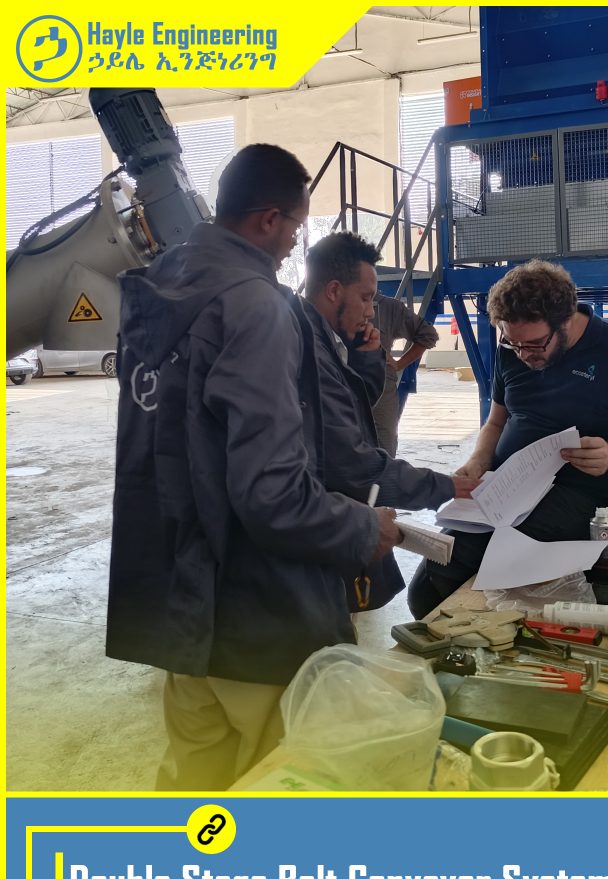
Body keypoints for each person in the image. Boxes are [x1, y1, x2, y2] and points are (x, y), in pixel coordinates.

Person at [106, 144, 401, 790]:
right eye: (296, 226)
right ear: (269, 219)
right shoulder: (256, 306)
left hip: (178, 607)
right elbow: (272, 494)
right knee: (278, 787)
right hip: (256, 616)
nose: (295, 242)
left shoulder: (160, 285)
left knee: (195, 785)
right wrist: (363, 528)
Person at [408, 259, 608, 619]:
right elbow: (497, 420)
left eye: (534, 345)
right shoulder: (513, 346)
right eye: (513, 344)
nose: (524, 355)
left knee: (478, 573)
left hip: (578, 493)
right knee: (429, 582)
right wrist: (478, 460)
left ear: (567, 320)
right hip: (506, 488)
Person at [303, 231, 478, 611]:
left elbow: (351, 409)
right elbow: (356, 465)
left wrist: (366, 359)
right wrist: (446, 486)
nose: (371, 311)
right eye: (366, 298)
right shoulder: (307, 352)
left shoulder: (328, 339)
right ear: (333, 291)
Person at [371, 292, 439, 457]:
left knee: (384, 448)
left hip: (381, 394)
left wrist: (399, 364)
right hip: (343, 390)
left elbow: (428, 335)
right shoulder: (333, 305)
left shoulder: (388, 308)